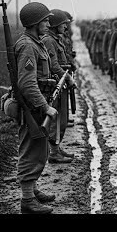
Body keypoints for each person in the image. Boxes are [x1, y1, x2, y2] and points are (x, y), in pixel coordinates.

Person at [14, 2, 59, 213]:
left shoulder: (35, 42)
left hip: (36, 106)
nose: (49, 24)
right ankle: (27, 200)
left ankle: (32, 191)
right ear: (34, 23)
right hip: (32, 107)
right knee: (30, 151)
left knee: (38, 150)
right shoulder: (28, 46)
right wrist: (45, 106)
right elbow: (27, 83)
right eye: (45, 20)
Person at [41, 9, 77, 164]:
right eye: (63, 24)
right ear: (56, 25)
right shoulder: (49, 40)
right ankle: (53, 153)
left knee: (61, 119)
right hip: (57, 84)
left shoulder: (56, 39)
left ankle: (56, 149)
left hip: (60, 82)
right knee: (57, 120)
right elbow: (54, 65)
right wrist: (68, 77)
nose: (65, 27)